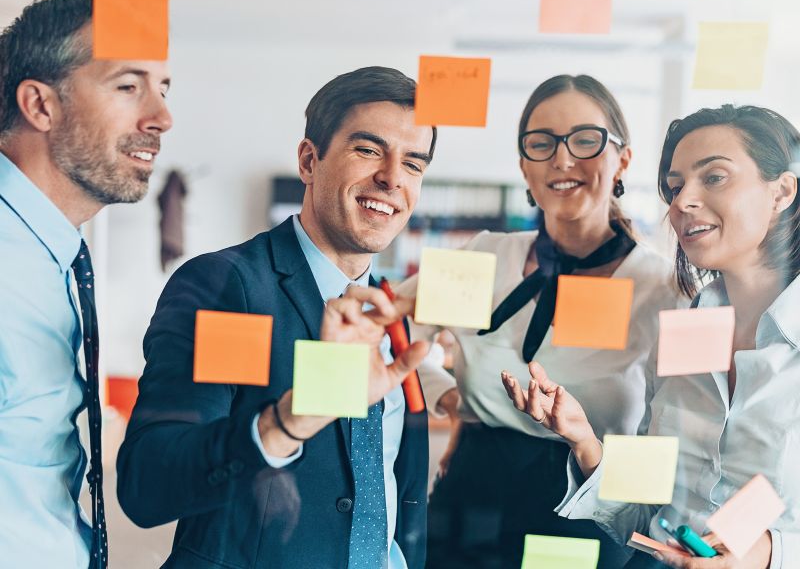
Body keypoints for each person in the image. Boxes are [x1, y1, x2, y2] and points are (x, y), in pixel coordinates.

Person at [116, 66, 437, 569]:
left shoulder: (389, 310)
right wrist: (287, 422)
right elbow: (149, 485)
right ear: (309, 161)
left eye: (414, 163)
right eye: (369, 150)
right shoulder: (230, 289)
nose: (393, 177)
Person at [396, 74, 682, 568]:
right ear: (525, 167)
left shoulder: (662, 290)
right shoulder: (487, 255)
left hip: (588, 521)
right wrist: (445, 396)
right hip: (470, 509)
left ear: (623, 159)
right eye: (541, 143)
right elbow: (391, 331)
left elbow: (670, 440)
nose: (562, 159)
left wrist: (636, 531)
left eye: (586, 140)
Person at [502, 104, 800, 568]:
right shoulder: (686, 332)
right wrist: (585, 443)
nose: (682, 203)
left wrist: (769, 554)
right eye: (675, 187)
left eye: (714, 178)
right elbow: (646, 521)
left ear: (781, 191)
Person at [0, 0, 173, 569]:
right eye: (128, 86)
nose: (162, 117)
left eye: (164, 88)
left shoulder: (53, 253)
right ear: (40, 106)